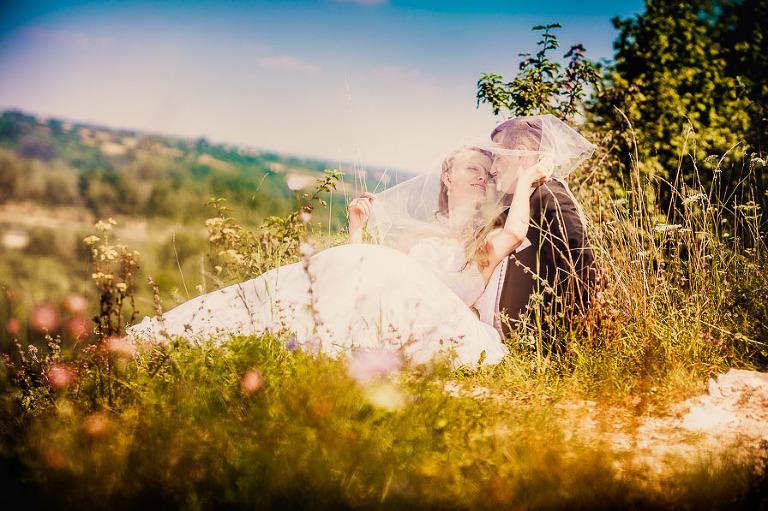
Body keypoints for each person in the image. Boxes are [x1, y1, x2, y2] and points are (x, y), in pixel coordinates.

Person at [128, 145, 550, 368]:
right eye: (473, 168)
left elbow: (516, 232)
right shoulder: (427, 232)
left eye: (488, 173)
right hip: (392, 306)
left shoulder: (484, 241)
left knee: (373, 263)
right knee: (356, 262)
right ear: (447, 175)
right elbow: (365, 282)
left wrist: (528, 179)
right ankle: (205, 332)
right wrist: (357, 230)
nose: (482, 177)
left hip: (436, 320)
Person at [482, 114, 597, 338]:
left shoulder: (550, 197)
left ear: (521, 155)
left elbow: (581, 269)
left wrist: (575, 339)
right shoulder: (521, 202)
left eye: (497, 157)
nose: (493, 169)